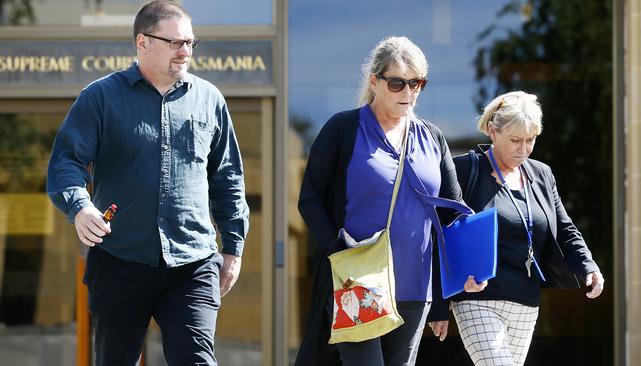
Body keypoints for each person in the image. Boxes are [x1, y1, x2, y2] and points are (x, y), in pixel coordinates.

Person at [46, 1, 249, 365]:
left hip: (194, 261)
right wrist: (80, 206)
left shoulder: (210, 100)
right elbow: (66, 162)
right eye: (174, 42)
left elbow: (228, 177)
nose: (185, 51)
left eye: (190, 42)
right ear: (142, 42)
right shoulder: (100, 97)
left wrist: (233, 247)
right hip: (120, 259)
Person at [294, 36, 484, 366]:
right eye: (397, 83)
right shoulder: (344, 128)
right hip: (359, 281)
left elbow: (452, 215)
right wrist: (337, 250)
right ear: (374, 81)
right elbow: (310, 199)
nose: (408, 93)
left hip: (415, 285)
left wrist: (465, 272)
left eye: (417, 83)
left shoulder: (432, 137)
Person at [446, 91, 605, 366]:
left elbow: (564, 229)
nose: (523, 149)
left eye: (530, 140)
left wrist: (588, 266)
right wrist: (442, 299)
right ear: (493, 133)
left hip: (525, 301)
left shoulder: (541, 174)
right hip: (477, 299)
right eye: (515, 140)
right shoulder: (465, 170)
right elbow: (439, 233)